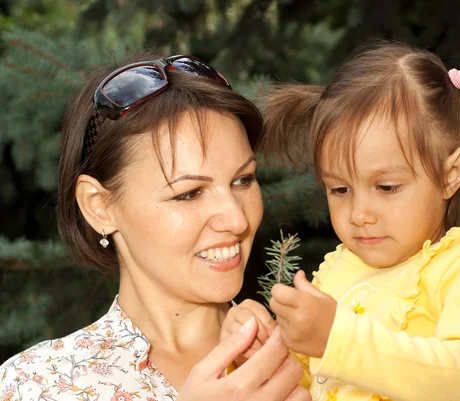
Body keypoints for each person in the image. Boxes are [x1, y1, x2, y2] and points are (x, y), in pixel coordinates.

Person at [221, 40, 460, 401]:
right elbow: (310, 384)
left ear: (451, 174)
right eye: (340, 190)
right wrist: (263, 352)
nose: (360, 214)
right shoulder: (338, 271)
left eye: (387, 187)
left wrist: (339, 339)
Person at [0, 53, 309, 401]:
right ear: (99, 206)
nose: (237, 220)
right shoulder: (36, 384)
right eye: (189, 193)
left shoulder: (320, 348)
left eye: (243, 180)